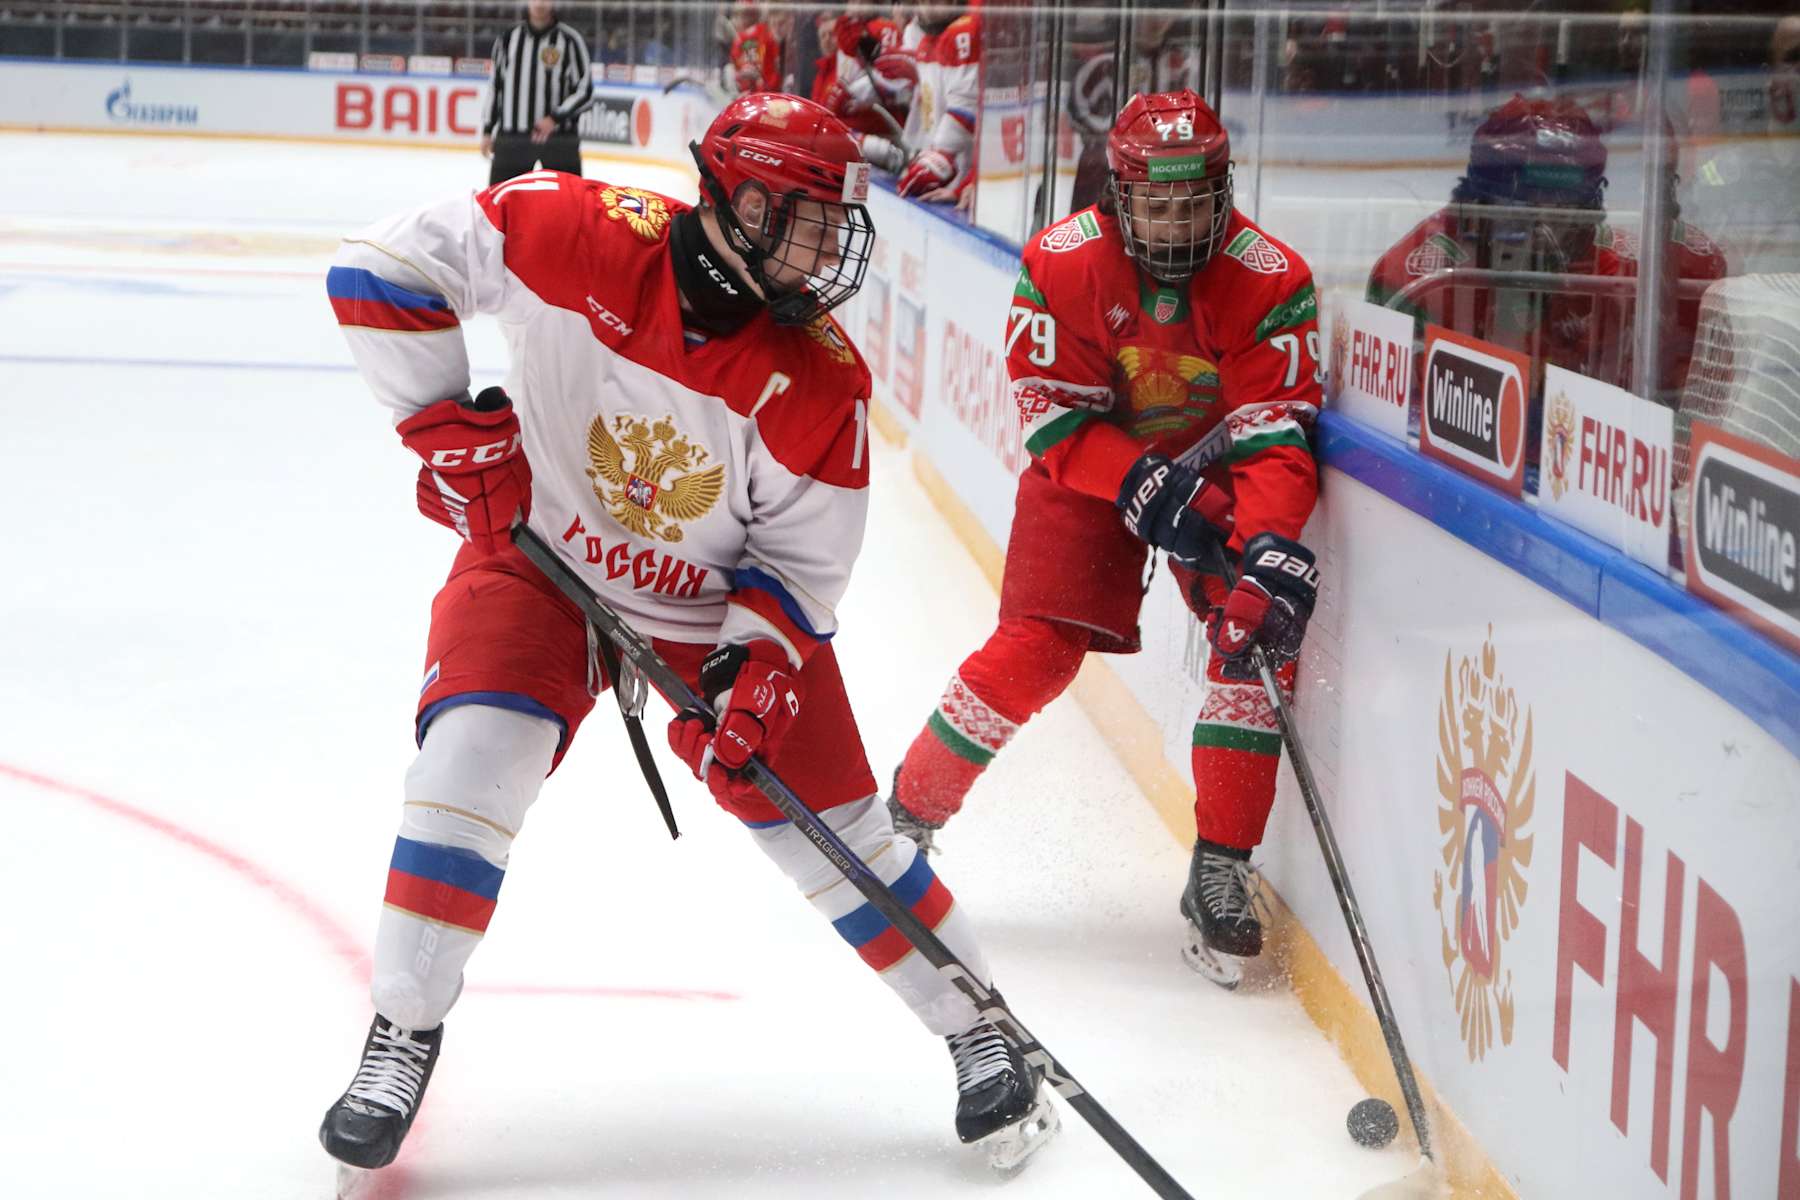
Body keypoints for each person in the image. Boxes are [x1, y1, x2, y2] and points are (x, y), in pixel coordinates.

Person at [317, 93, 1058, 1175]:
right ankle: (402, 1026)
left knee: (837, 831)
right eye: (811, 216)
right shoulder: (572, 230)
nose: (834, 244)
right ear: (743, 202)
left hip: (708, 611)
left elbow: (801, 565)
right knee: (468, 760)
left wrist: (757, 673)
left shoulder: (819, 377)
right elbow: (377, 269)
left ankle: (979, 1023)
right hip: (537, 559)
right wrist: (449, 433)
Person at [886, 90, 1325, 989]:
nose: (1174, 222)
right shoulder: (1063, 262)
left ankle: (1221, 867)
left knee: (1254, 638)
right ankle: (903, 816)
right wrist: (1136, 480)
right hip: (1094, 467)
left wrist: (1272, 543)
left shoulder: (1272, 277)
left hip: (1218, 468)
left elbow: (1275, 432)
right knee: (1038, 649)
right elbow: (1050, 417)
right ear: (1120, 197)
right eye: (1155, 204)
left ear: (1223, 189)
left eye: (1193, 201)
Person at [1366, 95, 1727, 403]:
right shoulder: (1419, 276)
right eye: (1526, 203)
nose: (1545, 227)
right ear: (1479, 200)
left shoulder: (1655, 267)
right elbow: (1402, 430)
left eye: (1563, 204)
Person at [480, 0, 594, 185]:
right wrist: (487, 130)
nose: (540, 3)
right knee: (501, 204)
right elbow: (496, 86)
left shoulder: (570, 40)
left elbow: (585, 91)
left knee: (568, 205)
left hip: (559, 140)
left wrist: (555, 118)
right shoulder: (508, 39)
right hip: (512, 138)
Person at [811, 6, 916, 175]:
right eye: (822, 36)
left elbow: (896, 84)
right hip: (852, 152)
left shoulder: (881, 28)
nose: (827, 40)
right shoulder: (824, 70)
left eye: (831, 34)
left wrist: (852, 94)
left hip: (885, 143)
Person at [895, 3, 982, 205]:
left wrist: (940, 158)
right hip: (951, 181)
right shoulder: (926, 41)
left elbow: (967, 110)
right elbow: (932, 113)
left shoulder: (963, 32)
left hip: (966, 180)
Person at [728, 3, 784, 95]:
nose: (745, 20)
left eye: (749, 15)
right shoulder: (742, 38)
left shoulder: (766, 36)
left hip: (766, 94)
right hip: (760, 94)